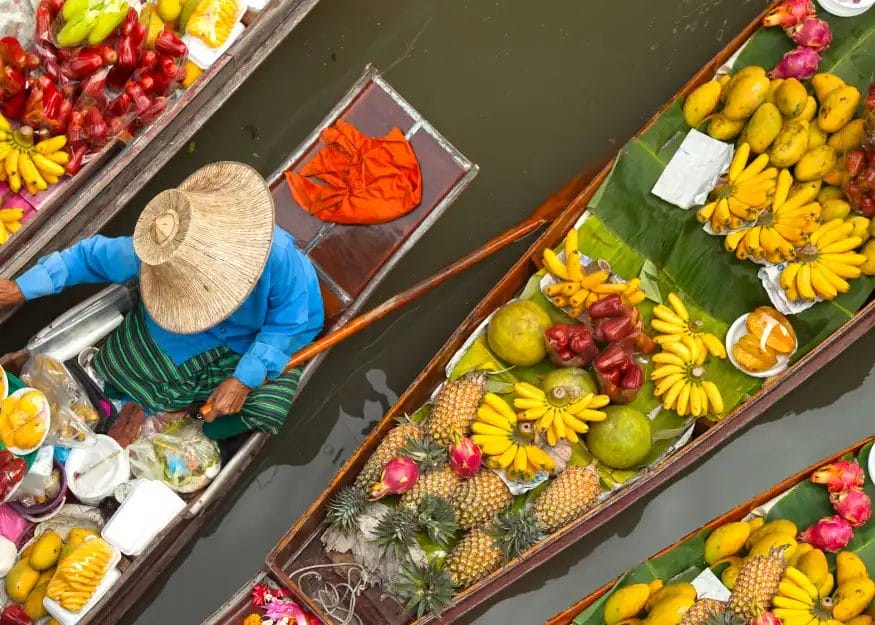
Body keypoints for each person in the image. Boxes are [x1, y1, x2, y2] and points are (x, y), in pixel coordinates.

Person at [0, 162, 324, 440]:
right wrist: (22, 288)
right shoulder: (161, 252)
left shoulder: (279, 259)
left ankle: (183, 413)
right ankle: (145, 404)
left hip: (262, 333)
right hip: (189, 322)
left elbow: (287, 323)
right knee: (125, 361)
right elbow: (87, 258)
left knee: (264, 408)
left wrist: (243, 379)